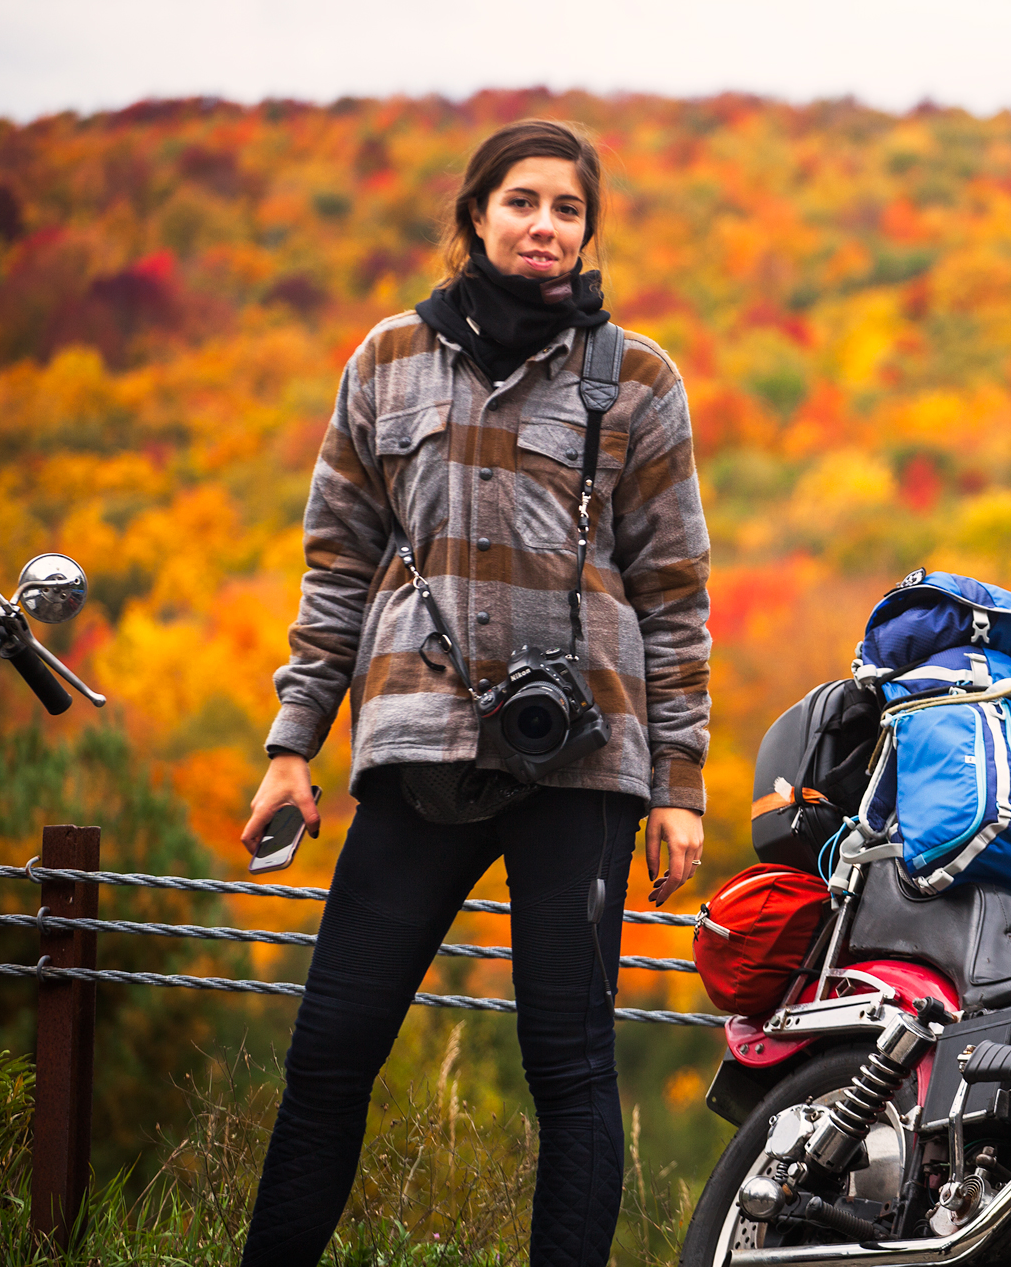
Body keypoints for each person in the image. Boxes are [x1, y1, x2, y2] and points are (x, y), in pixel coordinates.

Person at [237, 119, 710, 1267]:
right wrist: (291, 744)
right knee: (333, 1045)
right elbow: (337, 563)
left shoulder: (635, 378)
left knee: (569, 1061)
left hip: (586, 756)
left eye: (566, 208)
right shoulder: (387, 359)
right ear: (475, 214)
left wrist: (678, 783)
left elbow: (675, 586)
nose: (544, 225)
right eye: (521, 202)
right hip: (416, 742)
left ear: (588, 231)